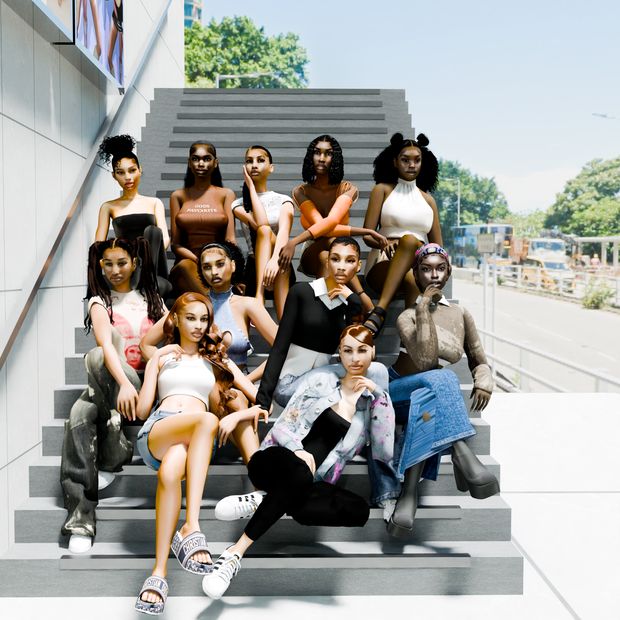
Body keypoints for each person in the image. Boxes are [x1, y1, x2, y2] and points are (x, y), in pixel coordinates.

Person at [202, 324, 394, 600]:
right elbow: (282, 427)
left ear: (373, 351)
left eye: (362, 350)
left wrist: (378, 394)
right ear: (338, 353)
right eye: (348, 351)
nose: (355, 358)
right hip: (274, 461)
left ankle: (262, 501)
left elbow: (384, 447)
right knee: (300, 475)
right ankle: (235, 553)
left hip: (308, 482)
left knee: (358, 510)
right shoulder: (321, 382)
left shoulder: (370, 401)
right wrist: (297, 450)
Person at [134, 292, 268, 615]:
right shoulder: (163, 357)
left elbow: (261, 404)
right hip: (159, 429)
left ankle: (158, 573)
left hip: (190, 442)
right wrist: (154, 362)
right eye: (190, 318)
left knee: (169, 475)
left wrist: (237, 414)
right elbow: (140, 411)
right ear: (176, 320)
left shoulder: (219, 362)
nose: (197, 325)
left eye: (204, 319)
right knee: (207, 419)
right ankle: (191, 525)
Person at [380, 243, 499, 537]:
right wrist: (422, 307)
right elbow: (424, 360)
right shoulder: (407, 315)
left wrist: (484, 379)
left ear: (448, 273)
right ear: (416, 274)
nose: (433, 275)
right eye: (426, 268)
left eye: (440, 268)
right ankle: (461, 451)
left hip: (425, 397)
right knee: (442, 379)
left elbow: (479, 361)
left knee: (430, 401)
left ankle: (409, 495)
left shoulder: (460, 313)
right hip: (398, 391)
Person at [60, 238, 165, 554]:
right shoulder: (98, 300)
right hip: (114, 384)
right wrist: (124, 383)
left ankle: (111, 452)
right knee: (80, 410)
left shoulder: (152, 297)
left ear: (134, 263)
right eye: (108, 264)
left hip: (148, 386)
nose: (115, 270)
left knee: (88, 387)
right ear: (100, 266)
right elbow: (106, 346)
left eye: (122, 262)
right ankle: (81, 518)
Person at [142, 241, 278, 385]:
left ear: (232, 265)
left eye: (220, 264)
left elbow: (282, 350)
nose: (214, 272)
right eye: (207, 267)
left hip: (237, 392)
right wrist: (174, 372)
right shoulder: (193, 305)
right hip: (197, 389)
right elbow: (146, 344)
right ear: (201, 271)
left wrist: (245, 382)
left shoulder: (248, 305)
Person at [278, 135, 387, 312]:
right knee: (332, 241)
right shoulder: (301, 191)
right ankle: (362, 296)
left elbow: (331, 223)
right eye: (317, 153)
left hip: (337, 254)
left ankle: (323, 313)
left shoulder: (347, 189)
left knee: (327, 255)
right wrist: (367, 231)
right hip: (313, 249)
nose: (321, 158)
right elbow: (325, 227)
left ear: (334, 158)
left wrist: (294, 240)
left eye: (328, 154)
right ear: (310, 156)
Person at [255, 236, 365, 413]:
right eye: (335, 259)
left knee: (377, 373)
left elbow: (356, 348)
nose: (342, 266)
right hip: (290, 384)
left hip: (324, 384)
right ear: (327, 261)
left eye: (350, 261)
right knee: (334, 388)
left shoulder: (350, 304)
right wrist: (262, 402)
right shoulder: (302, 292)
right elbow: (279, 347)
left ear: (358, 266)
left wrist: (353, 299)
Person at [363, 133, 443, 335]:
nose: (412, 165)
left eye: (417, 160)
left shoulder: (429, 200)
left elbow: (438, 249)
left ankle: (380, 312)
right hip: (384, 262)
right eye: (405, 160)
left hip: (419, 265)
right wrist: (382, 242)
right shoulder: (382, 190)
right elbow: (367, 234)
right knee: (409, 246)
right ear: (394, 162)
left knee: (411, 252)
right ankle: (413, 345)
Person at [94, 134, 171, 295]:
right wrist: (123, 259)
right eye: (120, 172)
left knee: (153, 232)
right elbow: (99, 244)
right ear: (114, 175)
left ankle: (142, 277)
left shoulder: (154, 202)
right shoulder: (108, 206)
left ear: (140, 170)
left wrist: (144, 256)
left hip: (154, 262)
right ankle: (139, 279)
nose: (128, 177)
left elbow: (165, 238)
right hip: (126, 263)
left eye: (132, 170)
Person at [232, 145, 295, 318]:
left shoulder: (284, 200)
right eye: (249, 161)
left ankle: (264, 304)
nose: (254, 165)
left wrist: (274, 260)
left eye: (260, 160)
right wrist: (251, 189)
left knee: (283, 318)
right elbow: (260, 224)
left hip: (280, 262)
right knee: (264, 230)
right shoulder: (238, 204)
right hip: (253, 267)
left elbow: (283, 233)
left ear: (271, 167)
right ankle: (259, 297)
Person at [168, 141, 236, 295]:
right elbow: (176, 245)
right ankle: (218, 305)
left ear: (215, 163)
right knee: (185, 266)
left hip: (216, 263)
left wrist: (215, 261)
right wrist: (199, 260)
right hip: (187, 264)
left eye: (206, 159)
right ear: (189, 163)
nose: (200, 163)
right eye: (195, 159)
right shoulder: (178, 196)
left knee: (217, 271)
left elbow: (230, 240)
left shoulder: (226, 194)